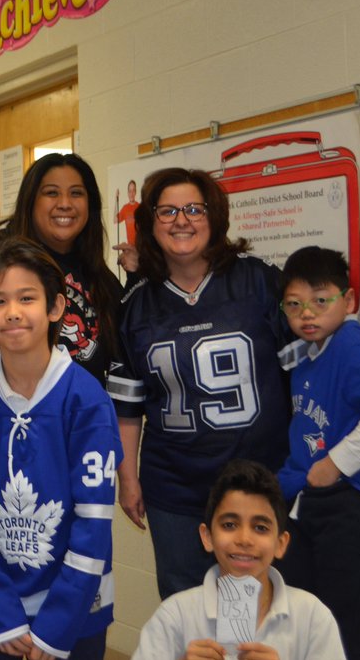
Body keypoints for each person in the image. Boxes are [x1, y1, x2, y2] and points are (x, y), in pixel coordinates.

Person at [109, 168, 303, 600]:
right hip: (175, 489)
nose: (182, 220)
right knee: (189, 614)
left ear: (214, 216)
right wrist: (129, 479)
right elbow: (128, 407)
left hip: (259, 481)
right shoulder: (136, 305)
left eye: (194, 209)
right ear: (150, 224)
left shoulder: (257, 281)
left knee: (258, 611)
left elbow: (302, 379)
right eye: (168, 211)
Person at [0, 238, 120, 660]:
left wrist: (56, 625)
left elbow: (93, 523)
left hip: (75, 612)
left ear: (56, 307)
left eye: (27, 298)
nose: (12, 312)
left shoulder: (86, 399)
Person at [274, 247, 360, 660]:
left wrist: (334, 465)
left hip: (356, 503)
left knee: (340, 632)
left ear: (348, 301)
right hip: (312, 503)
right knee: (304, 621)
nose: (307, 314)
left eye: (321, 300)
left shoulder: (350, 340)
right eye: (294, 304)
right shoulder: (307, 355)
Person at [131, 459, 346, 660]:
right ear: (207, 537)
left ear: (280, 543)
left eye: (260, 528)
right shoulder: (174, 616)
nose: (244, 539)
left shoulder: (312, 617)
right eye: (229, 525)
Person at [0, 153, 123, 383]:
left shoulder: (101, 279)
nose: (65, 204)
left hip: (83, 412)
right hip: (9, 410)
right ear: (31, 200)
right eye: (51, 193)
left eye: (76, 193)